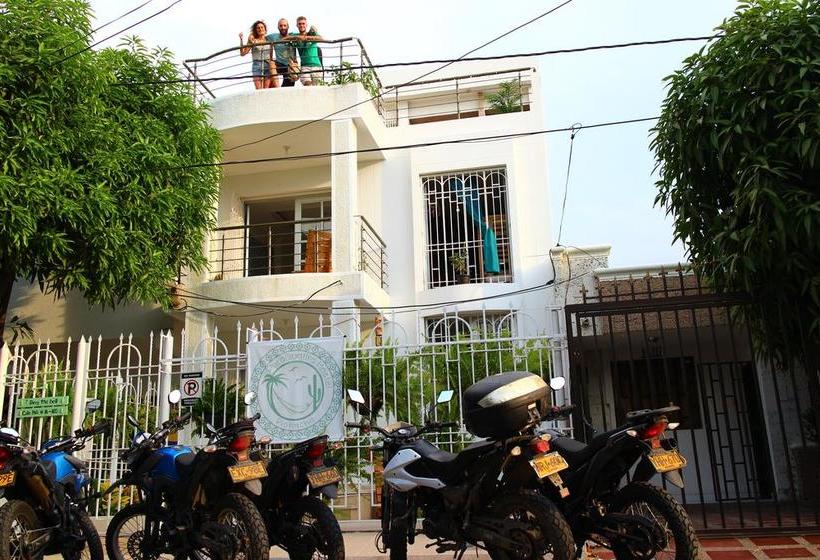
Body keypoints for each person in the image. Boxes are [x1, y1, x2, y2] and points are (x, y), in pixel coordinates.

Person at [239, 20, 277, 89]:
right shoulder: (252, 40)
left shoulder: (269, 40)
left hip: (267, 64)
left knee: (266, 89)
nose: (260, 29)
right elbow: (243, 53)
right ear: (256, 30)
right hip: (257, 65)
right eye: (258, 28)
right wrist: (241, 40)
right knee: (258, 89)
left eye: (262, 27)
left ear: (265, 29)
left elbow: (271, 54)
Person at [292, 16, 324, 86]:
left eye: (303, 23)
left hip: (316, 65)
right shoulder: (295, 35)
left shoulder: (312, 34)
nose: (301, 25)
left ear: (306, 25)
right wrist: (297, 37)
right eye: (299, 24)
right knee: (307, 85)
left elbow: (321, 38)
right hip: (304, 66)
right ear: (297, 25)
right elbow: (287, 38)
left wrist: (308, 38)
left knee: (317, 88)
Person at [266, 18, 297, 87]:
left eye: (284, 25)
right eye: (281, 26)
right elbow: (261, 37)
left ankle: (281, 90)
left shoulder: (293, 35)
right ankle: (275, 87)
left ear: (288, 26)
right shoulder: (273, 37)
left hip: (290, 64)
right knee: (269, 68)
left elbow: (303, 35)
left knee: (289, 86)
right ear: (278, 27)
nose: (283, 27)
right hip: (279, 64)